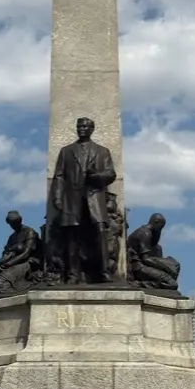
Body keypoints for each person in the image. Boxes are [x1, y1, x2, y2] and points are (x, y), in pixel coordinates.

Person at [51, 117, 116, 284]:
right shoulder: (66, 151)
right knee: (72, 236)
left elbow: (110, 174)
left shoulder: (102, 151)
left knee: (100, 232)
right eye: (79, 126)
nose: (81, 129)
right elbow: (59, 176)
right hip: (72, 198)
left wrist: (96, 176)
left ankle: (104, 272)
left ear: (91, 129)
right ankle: (73, 274)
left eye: (85, 126)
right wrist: (57, 197)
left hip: (94, 197)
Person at [0, 211, 43, 294]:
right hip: (13, 262)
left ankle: (2, 289)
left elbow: (26, 254)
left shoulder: (29, 232)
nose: (13, 226)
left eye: (15, 223)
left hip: (27, 263)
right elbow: (6, 253)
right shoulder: (12, 237)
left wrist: (8, 264)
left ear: (19, 221)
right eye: (11, 224)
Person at [126, 213, 180, 290]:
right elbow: (145, 259)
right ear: (156, 222)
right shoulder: (145, 233)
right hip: (138, 267)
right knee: (172, 284)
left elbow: (154, 247)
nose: (160, 230)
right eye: (161, 227)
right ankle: (139, 284)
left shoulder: (145, 232)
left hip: (141, 266)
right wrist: (167, 267)